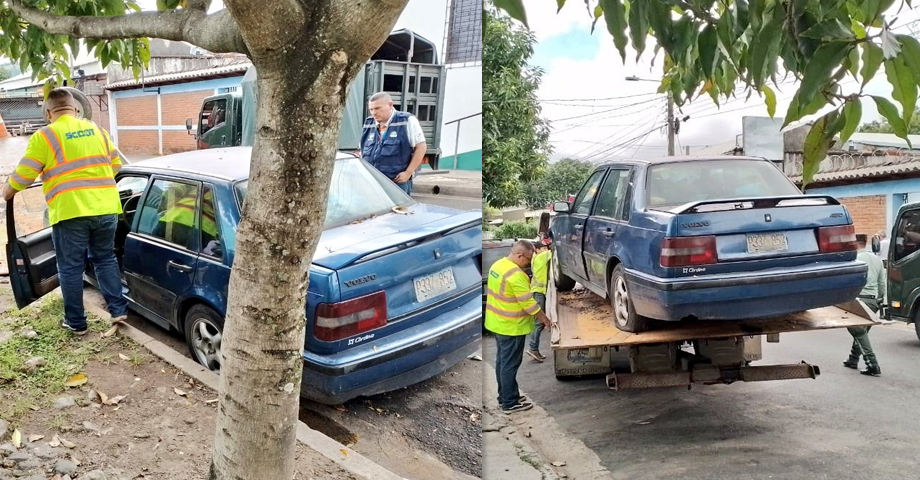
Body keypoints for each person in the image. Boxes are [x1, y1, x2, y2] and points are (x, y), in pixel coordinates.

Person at [1, 88, 128, 335]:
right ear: (75, 108)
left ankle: (77, 323)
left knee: (70, 268)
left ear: (49, 112)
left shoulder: (45, 136)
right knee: (105, 259)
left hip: (71, 212)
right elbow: (116, 165)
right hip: (106, 208)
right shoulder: (98, 131)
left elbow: (23, 177)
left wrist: (6, 191)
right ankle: (118, 309)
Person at [485, 240, 552, 414]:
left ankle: (507, 395)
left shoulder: (498, 265)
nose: (529, 264)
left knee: (502, 362)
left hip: (497, 323)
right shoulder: (516, 275)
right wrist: (545, 319)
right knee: (509, 365)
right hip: (511, 327)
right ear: (519, 255)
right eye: (528, 260)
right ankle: (509, 403)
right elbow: (529, 304)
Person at [360, 92, 427, 194]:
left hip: (396, 183)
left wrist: (408, 172)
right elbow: (362, 150)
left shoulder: (406, 120)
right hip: (372, 182)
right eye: (371, 109)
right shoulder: (368, 123)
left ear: (390, 105)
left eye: (378, 108)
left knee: (398, 210)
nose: (374, 113)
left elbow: (421, 146)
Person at [844, 234, 885, 376]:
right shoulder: (877, 260)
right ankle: (853, 359)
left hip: (858, 299)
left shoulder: (854, 260)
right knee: (862, 331)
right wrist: (880, 299)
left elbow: (849, 283)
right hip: (873, 300)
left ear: (855, 243)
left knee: (858, 331)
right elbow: (882, 283)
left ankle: (873, 364)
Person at [526, 238, 552, 363]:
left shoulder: (536, 258)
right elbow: (553, 252)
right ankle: (533, 348)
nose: (545, 250)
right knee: (539, 322)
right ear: (536, 249)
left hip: (538, 292)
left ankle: (533, 348)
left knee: (539, 322)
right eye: (543, 248)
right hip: (539, 293)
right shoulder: (540, 257)